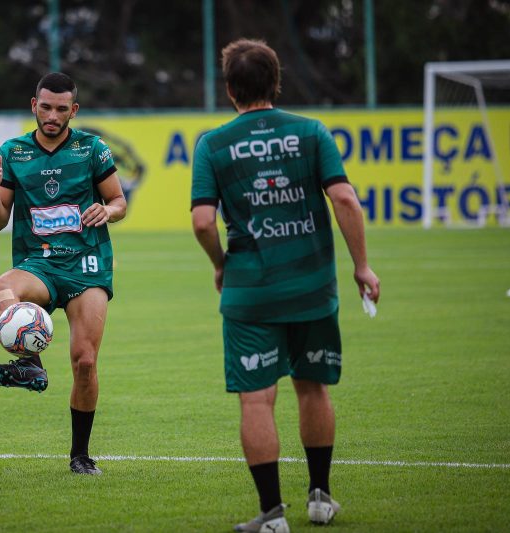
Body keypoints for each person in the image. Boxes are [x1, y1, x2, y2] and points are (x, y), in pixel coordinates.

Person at [191, 39, 380, 531]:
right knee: (313, 389)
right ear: (277, 82)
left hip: (250, 290)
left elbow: (202, 222)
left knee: (257, 399)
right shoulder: (312, 132)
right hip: (313, 286)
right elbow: (344, 200)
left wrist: (220, 263)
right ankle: (320, 498)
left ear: (230, 89)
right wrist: (361, 266)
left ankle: (272, 514)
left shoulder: (213, 144)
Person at [0, 72, 126, 476]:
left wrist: (107, 210)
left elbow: (118, 200)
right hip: (40, 264)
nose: (52, 115)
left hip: (86, 263)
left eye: (62, 109)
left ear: (73, 111)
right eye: (46, 107)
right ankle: (31, 361)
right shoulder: (14, 151)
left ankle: (80, 455)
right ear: (34, 105)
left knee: (84, 362)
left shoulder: (91, 149)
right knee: (1, 288)